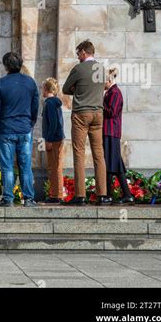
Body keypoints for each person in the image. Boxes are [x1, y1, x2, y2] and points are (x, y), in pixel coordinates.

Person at [62, 40, 111, 206]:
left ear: (84, 52)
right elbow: (104, 87)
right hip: (98, 113)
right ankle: (102, 195)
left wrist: (78, 89)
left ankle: (80, 196)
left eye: (78, 53)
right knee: (99, 154)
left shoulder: (79, 68)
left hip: (81, 113)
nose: (78, 57)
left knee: (79, 153)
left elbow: (65, 89)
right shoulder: (102, 68)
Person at [0, 52, 39, 207]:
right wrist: (30, 122)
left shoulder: (1, 83)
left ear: (6, 66)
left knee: (7, 166)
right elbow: (35, 105)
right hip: (24, 129)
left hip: (6, 129)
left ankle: (8, 198)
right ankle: (29, 199)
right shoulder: (30, 82)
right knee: (25, 165)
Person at [103, 67, 133, 203]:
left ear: (109, 80)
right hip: (109, 131)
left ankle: (108, 195)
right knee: (116, 163)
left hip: (111, 131)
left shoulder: (115, 92)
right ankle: (127, 195)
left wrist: (100, 104)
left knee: (109, 162)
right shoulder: (110, 92)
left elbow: (112, 112)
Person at [41, 77, 65, 204]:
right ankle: (56, 193)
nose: (41, 91)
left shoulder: (50, 103)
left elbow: (54, 123)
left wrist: (49, 139)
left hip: (54, 139)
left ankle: (56, 195)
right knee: (55, 167)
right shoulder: (52, 102)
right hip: (56, 139)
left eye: (43, 88)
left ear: (46, 89)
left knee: (54, 168)